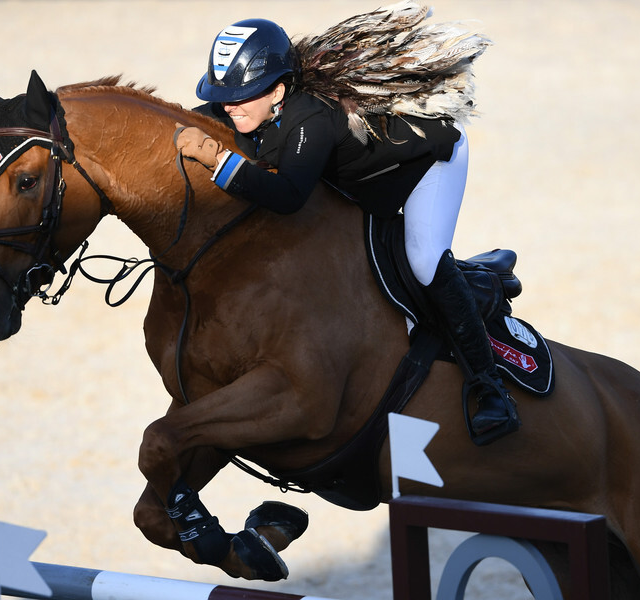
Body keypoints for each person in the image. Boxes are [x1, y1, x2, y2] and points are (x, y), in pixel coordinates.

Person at [175, 18, 519, 444]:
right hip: (363, 180)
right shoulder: (253, 104)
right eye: (222, 96)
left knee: (424, 258)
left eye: (240, 96)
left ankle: (489, 386)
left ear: (279, 91)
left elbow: (287, 197)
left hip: (427, 164)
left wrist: (221, 164)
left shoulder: (310, 119)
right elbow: (196, 119)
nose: (228, 106)